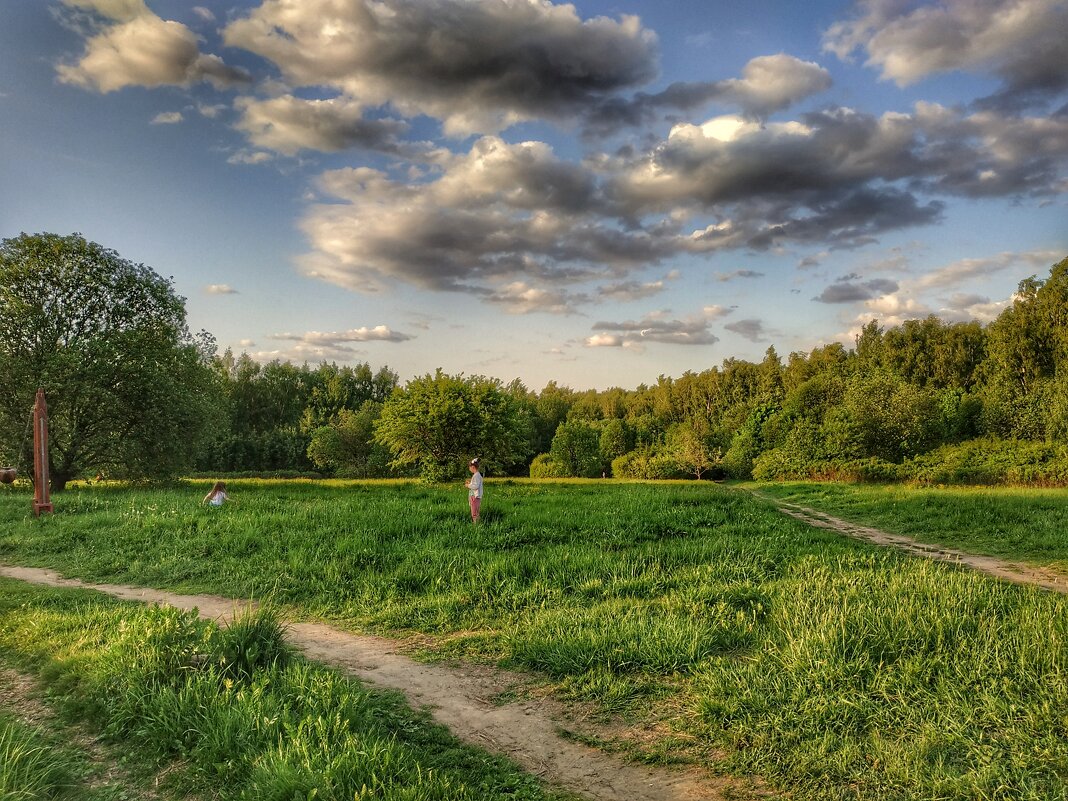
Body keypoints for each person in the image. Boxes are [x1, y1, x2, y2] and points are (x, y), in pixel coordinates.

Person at [464, 458, 483, 523]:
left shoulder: (476, 475)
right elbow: (475, 484)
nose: (469, 469)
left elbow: (475, 486)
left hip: (474, 497)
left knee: (474, 513)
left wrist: (468, 485)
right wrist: (470, 483)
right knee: (475, 511)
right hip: (474, 496)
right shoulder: (476, 475)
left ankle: (476, 526)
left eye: (469, 467)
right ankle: (477, 524)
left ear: (473, 467)